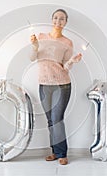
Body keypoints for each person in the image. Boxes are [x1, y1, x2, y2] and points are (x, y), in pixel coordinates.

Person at [30, 9, 82, 165]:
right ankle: (55, 151)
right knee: (50, 121)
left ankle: (62, 153)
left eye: (62, 19)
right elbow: (33, 58)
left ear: (65, 22)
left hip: (62, 84)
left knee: (57, 119)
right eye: (55, 18)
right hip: (44, 84)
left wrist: (73, 61)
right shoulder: (41, 37)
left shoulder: (67, 43)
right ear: (52, 20)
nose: (58, 21)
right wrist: (34, 46)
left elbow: (65, 66)